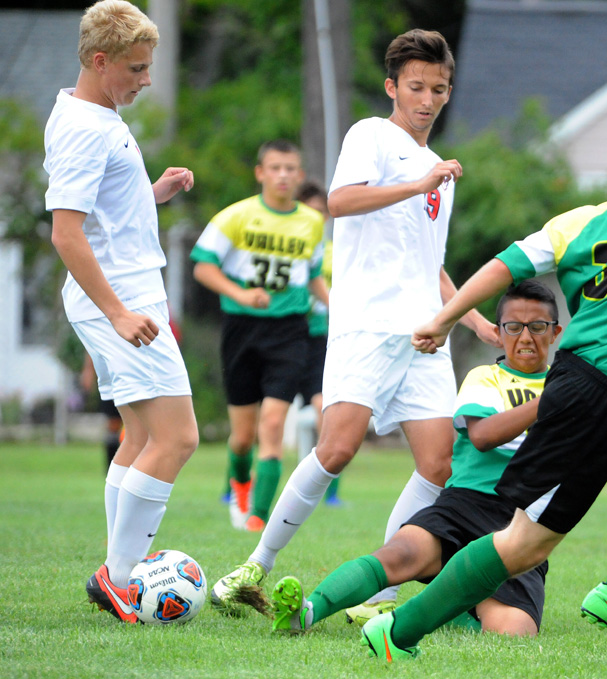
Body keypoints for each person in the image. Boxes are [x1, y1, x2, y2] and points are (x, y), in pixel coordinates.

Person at [359, 92, 607, 661]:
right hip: (592, 395)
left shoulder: (581, 222)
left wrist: (443, 318)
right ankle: (399, 631)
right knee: (524, 545)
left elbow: (502, 267)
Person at [209, 28, 499, 615]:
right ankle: (253, 567)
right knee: (337, 449)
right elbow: (339, 201)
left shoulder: (434, 168)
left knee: (439, 464)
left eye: (438, 89)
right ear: (393, 87)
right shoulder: (372, 136)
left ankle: (382, 592)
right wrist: (416, 182)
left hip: (425, 335)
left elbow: (428, 261)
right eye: (415, 86)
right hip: (367, 324)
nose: (426, 98)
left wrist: (473, 321)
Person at [256, 280, 607, 636]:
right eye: (514, 326)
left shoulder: (573, 388)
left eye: (538, 327)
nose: (526, 337)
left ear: (556, 332)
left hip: (524, 524)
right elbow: (484, 435)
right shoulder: (485, 378)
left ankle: (445, 609)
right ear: (499, 332)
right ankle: (305, 613)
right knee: (398, 555)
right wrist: (553, 402)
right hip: (465, 505)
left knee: (514, 632)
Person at [45, 0, 199, 624]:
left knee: (140, 437)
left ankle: (116, 571)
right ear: (100, 61)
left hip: (126, 293)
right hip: (123, 301)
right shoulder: (88, 126)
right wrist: (115, 313)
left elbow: (102, 215)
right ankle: (121, 575)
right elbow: (66, 233)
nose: (145, 79)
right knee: (179, 437)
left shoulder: (97, 112)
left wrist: (149, 192)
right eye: (136, 68)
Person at [191, 140, 328, 532]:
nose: (283, 175)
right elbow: (202, 266)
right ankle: (239, 478)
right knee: (242, 436)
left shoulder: (312, 222)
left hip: (291, 332)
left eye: (290, 168)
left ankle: (258, 518)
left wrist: (337, 306)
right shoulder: (236, 217)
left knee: (272, 425)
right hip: (242, 331)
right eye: (275, 168)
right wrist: (240, 294)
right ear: (260, 173)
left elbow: (313, 275)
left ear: (299, 175)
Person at [295, 181, 341, 507]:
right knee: (258, 420)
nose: (317, 217)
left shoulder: (336, 252)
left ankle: (329, 492)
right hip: (285, 335)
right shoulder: (287, 247)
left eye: (321, 211)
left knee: (326, 409)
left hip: (321, 340)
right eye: (311, 210)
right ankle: (236, 485)